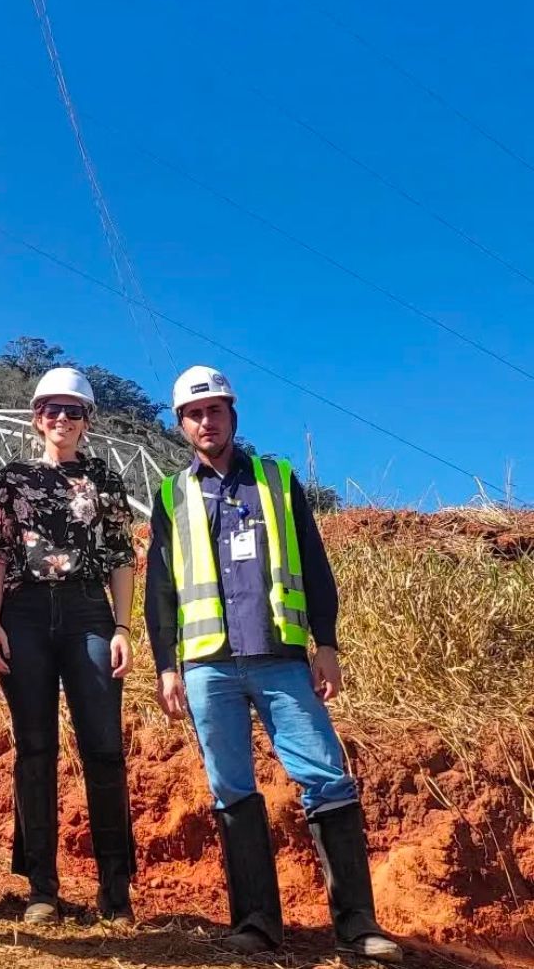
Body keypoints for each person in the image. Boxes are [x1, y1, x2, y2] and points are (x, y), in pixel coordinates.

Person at [144, 365, 402, 962]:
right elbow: (160, 587)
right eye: (193, 414)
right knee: (231, 787)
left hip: (280, 660)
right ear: (180, 424)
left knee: (326, 778)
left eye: (215, 411)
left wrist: (327, 643)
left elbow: (314, 565)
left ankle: (357, 925)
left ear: (233, 416)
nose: (206, 422)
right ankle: (257, 922)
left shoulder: (278, 479)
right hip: (208, 667)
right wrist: (166, 665)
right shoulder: (170, 495)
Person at [0, 367, 137, 925]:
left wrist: (122, 628)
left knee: (103, 747)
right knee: (35, 748)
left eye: (73, 411)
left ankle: (115, 889)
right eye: (51, 409)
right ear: (36, 417)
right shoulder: (13, 477)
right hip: (23, 616)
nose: (62, 420)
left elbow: (122, 556)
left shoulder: (105, 479)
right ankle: (42, 888)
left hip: (87, 613)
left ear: (87, 422)